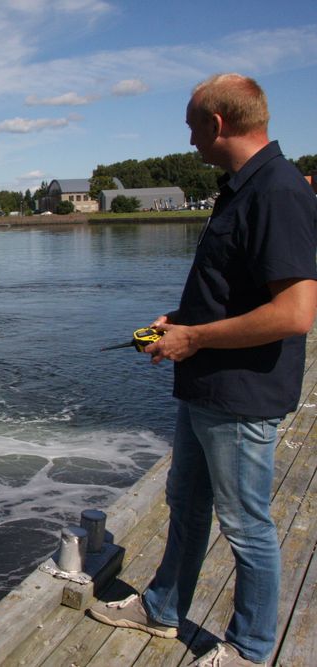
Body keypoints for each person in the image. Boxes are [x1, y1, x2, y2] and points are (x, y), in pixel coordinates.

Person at [88, 73, 317, 666]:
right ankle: (163, 610)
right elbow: (238, 286)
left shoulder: (278, 191)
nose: (188, 140)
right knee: (185, 502)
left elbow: (295, 313)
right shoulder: (242, 188)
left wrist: (193, 336)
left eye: (192, 126)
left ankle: (250, 649)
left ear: (217, 123)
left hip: (241, 394)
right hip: (207, 387)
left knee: (246, 527)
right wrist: (183, 319)